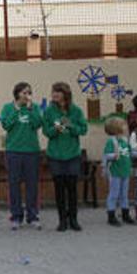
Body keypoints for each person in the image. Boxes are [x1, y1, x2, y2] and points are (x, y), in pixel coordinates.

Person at [42, 82, 88, 232]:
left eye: (58, 92)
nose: (54, 94)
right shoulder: (49, 111)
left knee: (72, 188)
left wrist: (70, 125)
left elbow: (83, 129)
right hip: (55, 155)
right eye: (53, 91)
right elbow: (46, 132)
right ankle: (62, 220)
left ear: (65, 94)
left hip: (73, 155)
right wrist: (56, 128)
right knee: (59, 189)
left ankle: (73, 219)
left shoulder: (76, 111)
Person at [1, 82, 43, 231]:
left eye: (29, 92)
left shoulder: (34, 107)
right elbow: (6, 125)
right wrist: (17, 110)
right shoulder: (8, 108)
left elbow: (37, 124)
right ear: (17, 93)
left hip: (32, 151)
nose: (27, 95)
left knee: (32, 184)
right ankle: (16, 216)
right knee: (14, 185)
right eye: (25, 93)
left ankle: (33, 216)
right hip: (13, 151)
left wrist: (30, 110)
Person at [103, 117, 133, 227]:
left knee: (124, 194)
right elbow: (107, 155)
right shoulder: (111, 141)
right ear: (116, 128)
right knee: (114, 194)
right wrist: (114, 156)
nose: (126, 127)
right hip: (115, 172)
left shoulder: (125, 141)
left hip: (125, 171)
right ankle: (111, 216)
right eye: (123, 125)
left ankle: (125, 214)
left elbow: (130, 153)